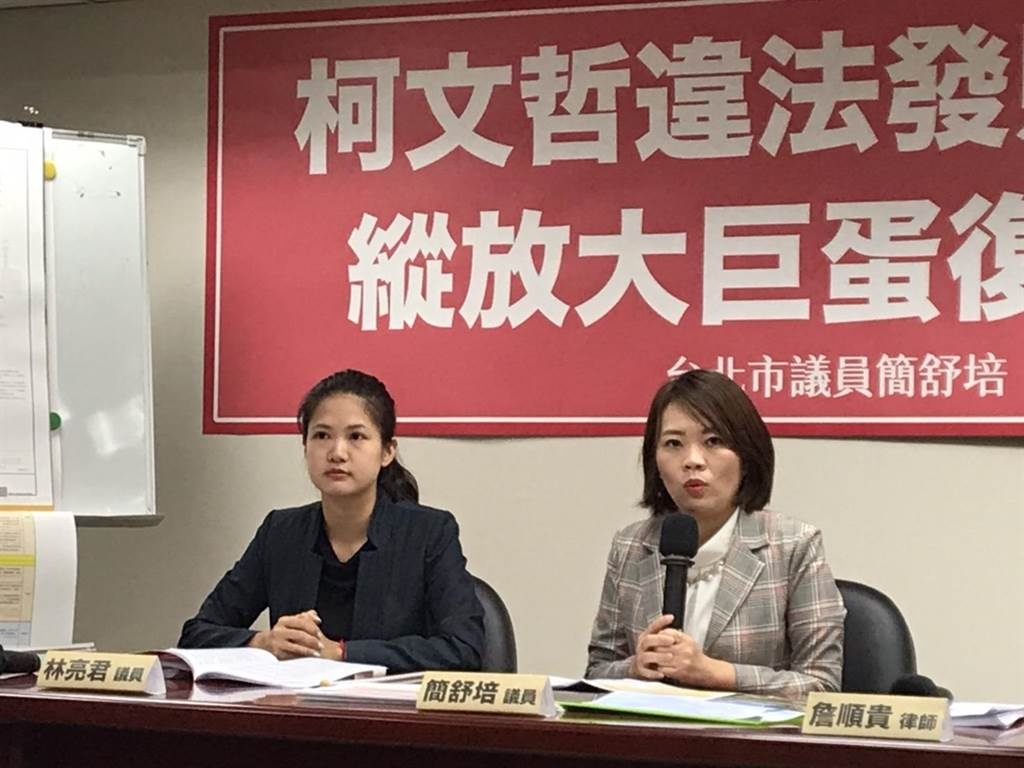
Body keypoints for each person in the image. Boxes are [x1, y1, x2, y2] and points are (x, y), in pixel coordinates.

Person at [179, 369, 484, 673]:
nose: (337, 453)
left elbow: (464, 648)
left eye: (356, 437)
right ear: (305, 447)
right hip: (299, 702)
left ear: (387, 451)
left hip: (389, 703)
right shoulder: (280, 532)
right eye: (322, 435)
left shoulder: (429, 533)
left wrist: (341, 653)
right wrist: (262, 642)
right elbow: (196, 634)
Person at [586, 370, 845, 696]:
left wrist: (716, 673)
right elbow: (597, 671)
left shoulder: (794, 546)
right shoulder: (631, 546)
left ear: (746, 455)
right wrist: (635, 668)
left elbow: (822, 685)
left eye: (713, 441)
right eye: (673, 444)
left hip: (747, 729)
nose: (692, 461)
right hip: (653, 727)